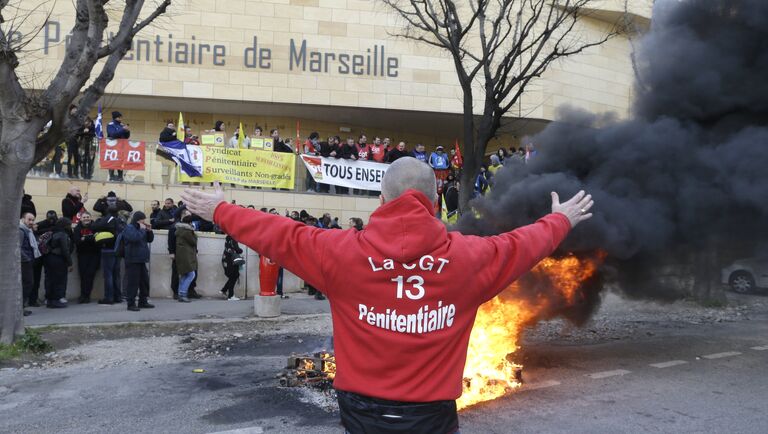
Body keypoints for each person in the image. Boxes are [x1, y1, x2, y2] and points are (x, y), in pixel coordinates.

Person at [180, 157, 594, 433]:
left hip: (361, 412)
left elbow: (279, 235)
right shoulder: (472, 258)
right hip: (432, 415)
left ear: (380, 200)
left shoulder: (338, 253)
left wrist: (220, 209)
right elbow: (524, 243)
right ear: (435, 203)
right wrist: (560, 219)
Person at [92, 205, 125, 304]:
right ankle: (118, 297)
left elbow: (94, 227)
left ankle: (109, 298)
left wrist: (97, 221)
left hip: (108, 250)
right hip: (118, 251)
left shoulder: (108, 219)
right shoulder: (120, 220)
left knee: (108, 275)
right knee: (116, 275)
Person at [122, 212, 155, 311]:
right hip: (132, 259)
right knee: (133, 283)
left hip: (141, 259)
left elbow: (150, 240)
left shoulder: (142, 229)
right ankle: (131, 304)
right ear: (137, 219)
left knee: (144, 282)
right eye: (142, 220)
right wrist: (142, 230)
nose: (144, 222)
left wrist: (149, 231)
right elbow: (134, 238)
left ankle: (143, 301)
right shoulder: (129, 228)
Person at [44, 217, 74, 308]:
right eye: (69, 225)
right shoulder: (63, 234)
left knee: (50, 279)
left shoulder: (54, 232)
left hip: (49, 258)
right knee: (59, 280)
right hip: (58, 259)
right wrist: (70, 263)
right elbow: (65, 250)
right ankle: (56, 300)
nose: (70, 227)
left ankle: (49, 300)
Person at [31, 210, 58, 306]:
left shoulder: (55, 224)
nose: (51, 220)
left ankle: (47, 298)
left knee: (48, 278)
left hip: (47, 254)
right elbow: (35, 230)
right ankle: (33, 299)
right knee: (36, 278)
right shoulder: (43, 224)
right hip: (40, 254)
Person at [73, 212, 101, 303]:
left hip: (94, 255)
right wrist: (90, 238)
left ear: (90, 217)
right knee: (83, 276)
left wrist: (84, 238)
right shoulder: (77, 228)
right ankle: (83, 295)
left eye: (88, 217)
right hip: (82, 255)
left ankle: (87, 296)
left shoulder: (95, 227)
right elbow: (77, 241)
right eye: (84, 217)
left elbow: (97, 239)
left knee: (90, 275)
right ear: (80, 219)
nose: (86, 218)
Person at [19, 212, 41, 316]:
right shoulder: (21, 230)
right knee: (28, 284)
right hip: (24, 262)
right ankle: (20, 308)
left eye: (33, 220)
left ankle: (21, 308)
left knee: (27, 284)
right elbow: (18, 247)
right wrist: (27, 259)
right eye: (29, 219)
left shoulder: (29, 231)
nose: (31, 222)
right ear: (23, 219)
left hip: (27, 261)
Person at [174, 209, 198, 303]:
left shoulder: (180, 229)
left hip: (182, 254)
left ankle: (180, 294)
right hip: (186, 254)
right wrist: (194, 232)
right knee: (191, 274)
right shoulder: (187, 231)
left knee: (184, 274)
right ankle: (183, 294)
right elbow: (193, 241)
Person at [106, 111, 130, 181]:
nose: (121, 119)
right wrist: (123, 130)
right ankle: (111, 176)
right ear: (115, 117)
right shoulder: (110, 125)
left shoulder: (122, 125)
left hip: (121, 147)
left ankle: (120, 176)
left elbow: (126, 137)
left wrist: (127, 131)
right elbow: (112, 134)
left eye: (121, 117)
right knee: (112, 161)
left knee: (120, 161)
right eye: (119, 117)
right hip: (112, 147)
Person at [221, 235, 243, 300]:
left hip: (226, 259)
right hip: (231, 260)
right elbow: (237, 249)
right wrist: (240, 250)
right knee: (233, 276)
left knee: (234, 276)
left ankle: (224, 290)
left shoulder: (228, 238)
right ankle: (230, 296)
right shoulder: (233, 238)